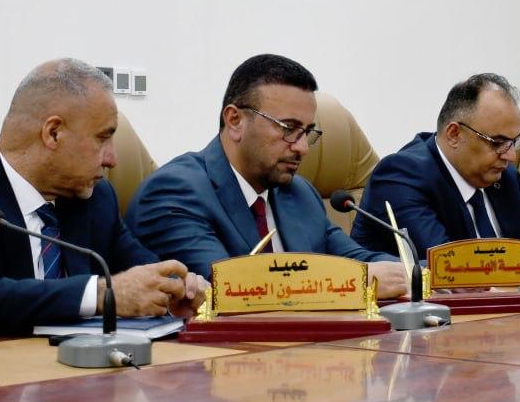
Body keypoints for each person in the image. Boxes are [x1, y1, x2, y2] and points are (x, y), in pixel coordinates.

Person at [0, 59, 206, 336]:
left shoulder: (93, 199)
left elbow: (143, 273)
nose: (112, 160)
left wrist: (178, 289)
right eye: (102, 139)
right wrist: (101, 295)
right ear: (53, 133)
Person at [126, 54, 406, 298]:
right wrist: (353, 281)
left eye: (308, 132)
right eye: (288, 128)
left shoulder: (299, 193)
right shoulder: (175, 191)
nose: (303, 147)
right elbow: (228, 290)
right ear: (235, 120)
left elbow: (360, 261)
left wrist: (415, 271)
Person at [351, 73, 520, 278]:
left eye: (515, 142)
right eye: (498, 142)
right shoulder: (401, 176)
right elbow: (451, 268)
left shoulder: (506, 179)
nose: (511, 155)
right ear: (454, 134)